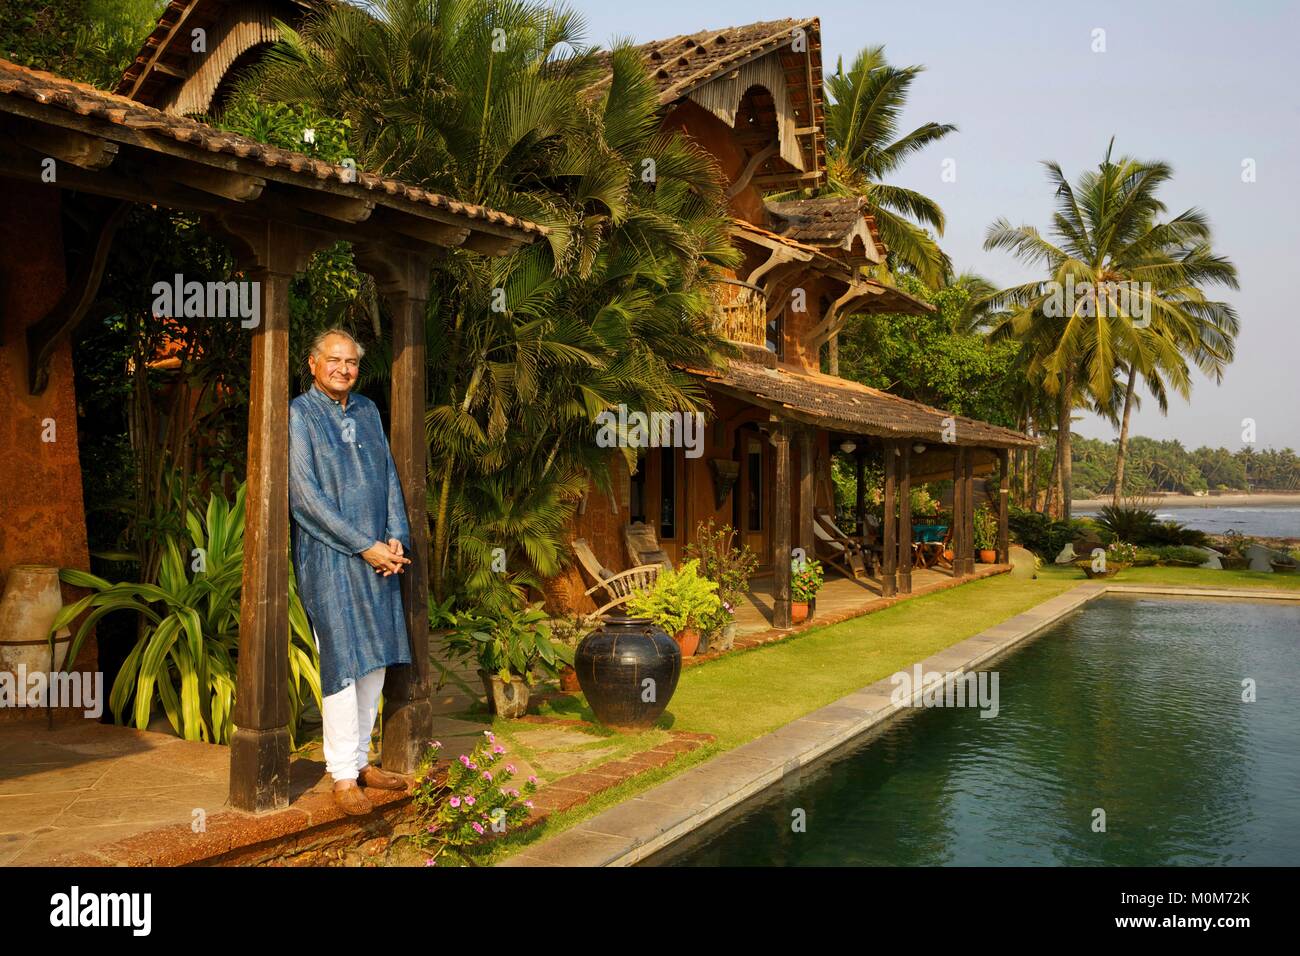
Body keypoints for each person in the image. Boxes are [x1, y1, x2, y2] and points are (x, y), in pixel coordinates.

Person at [288, 328, 413, 815]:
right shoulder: (300, 415)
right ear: (313, 364)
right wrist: (365, 546)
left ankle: (361, 761)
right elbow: (305, 498)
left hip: (380, 553)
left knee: (376, 657)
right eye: (334, 360)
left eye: (352, 362)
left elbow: (387, 474)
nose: (344, 369)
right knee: (342, 660)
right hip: (330, 558)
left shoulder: (366, 410)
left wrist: (394, 533)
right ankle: (340, 775)